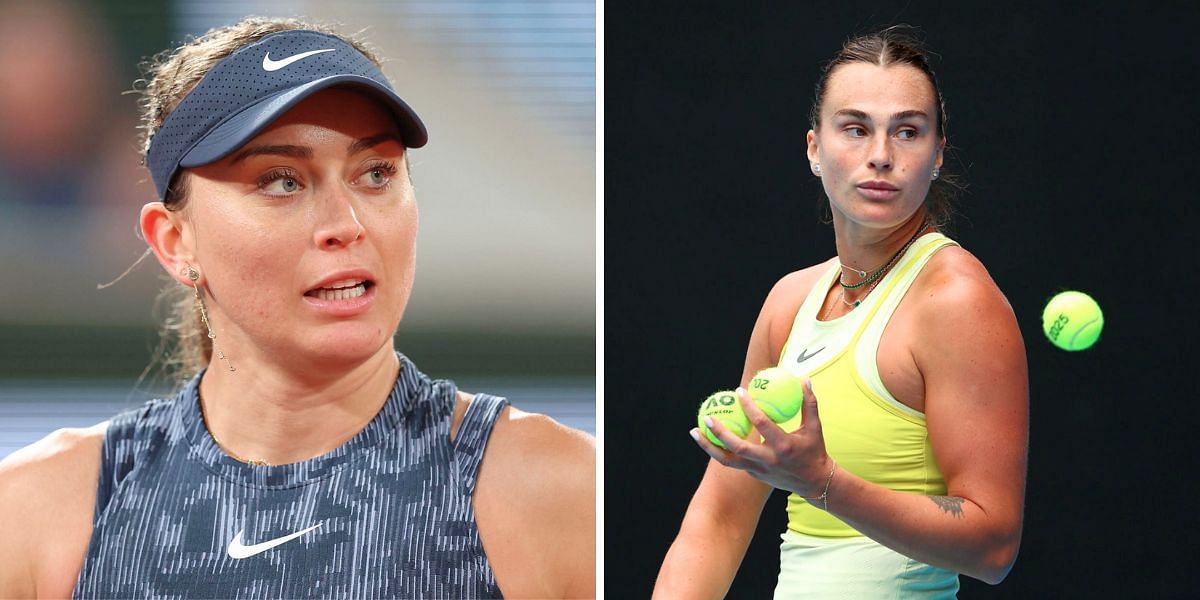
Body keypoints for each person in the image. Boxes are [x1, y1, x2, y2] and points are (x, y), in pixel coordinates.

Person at [0, 17, 594, 599]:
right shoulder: (37, 513)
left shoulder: (563, 492)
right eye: (282, 181)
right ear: (176, 242)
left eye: (376, 173)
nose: (347, 224)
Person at [654, 26, 1028, 598]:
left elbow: (993, 547)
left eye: (907, 132)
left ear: (937, 155)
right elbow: (716, 522)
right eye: (855, 128)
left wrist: (819, 480)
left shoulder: (956, 302)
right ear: (813, 148)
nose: (880, 156)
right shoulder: (788, 303)